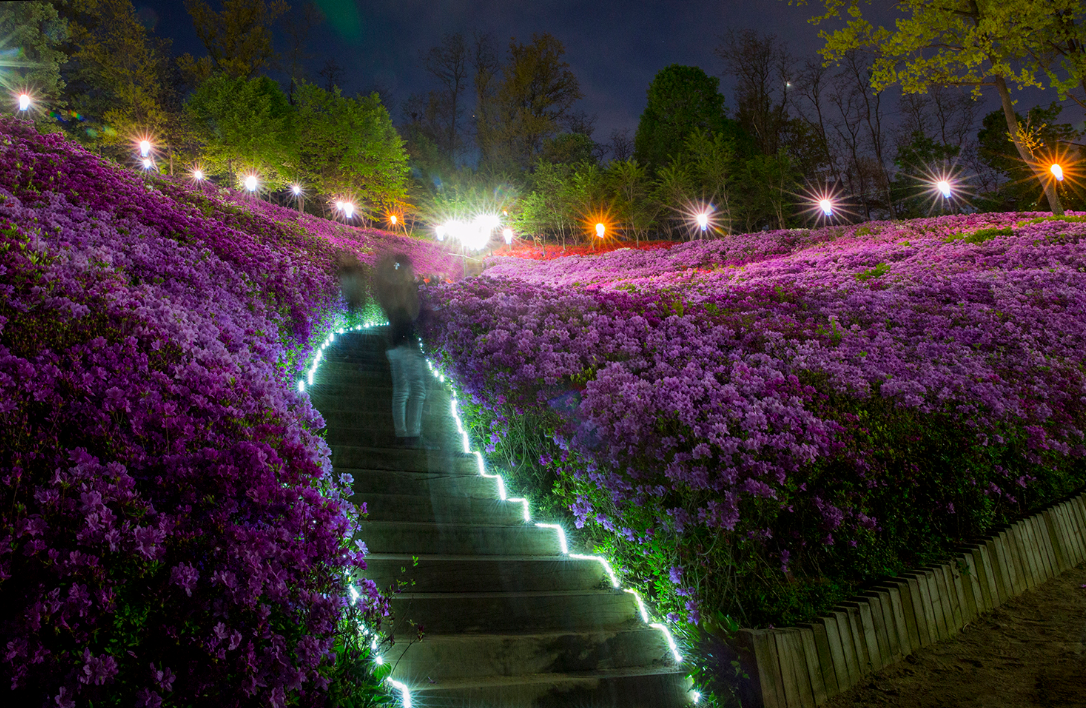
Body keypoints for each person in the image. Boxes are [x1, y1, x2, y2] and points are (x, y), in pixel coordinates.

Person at [373, 252, 426, 446]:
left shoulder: (390, 288)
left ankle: (402, 434)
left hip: (395, 343)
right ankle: (413, 433)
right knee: (417, 390)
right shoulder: (403, 288)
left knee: (401, 390)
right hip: (406, 344)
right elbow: (412, 313)